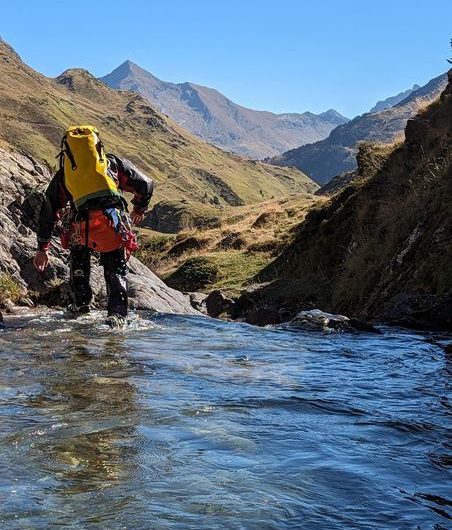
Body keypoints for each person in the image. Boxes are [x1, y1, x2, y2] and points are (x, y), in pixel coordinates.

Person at [33, 125, 153, 327]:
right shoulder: (112, 164)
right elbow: (146, 184)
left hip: (80, 226)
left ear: (67, 150)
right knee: (115, 269)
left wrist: (43, 248)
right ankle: (117, 316)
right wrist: (138, 209)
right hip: (111, 222)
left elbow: (49, 210)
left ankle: (80, 305)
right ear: (97, 145)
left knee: (79, 264)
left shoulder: (65, 175)